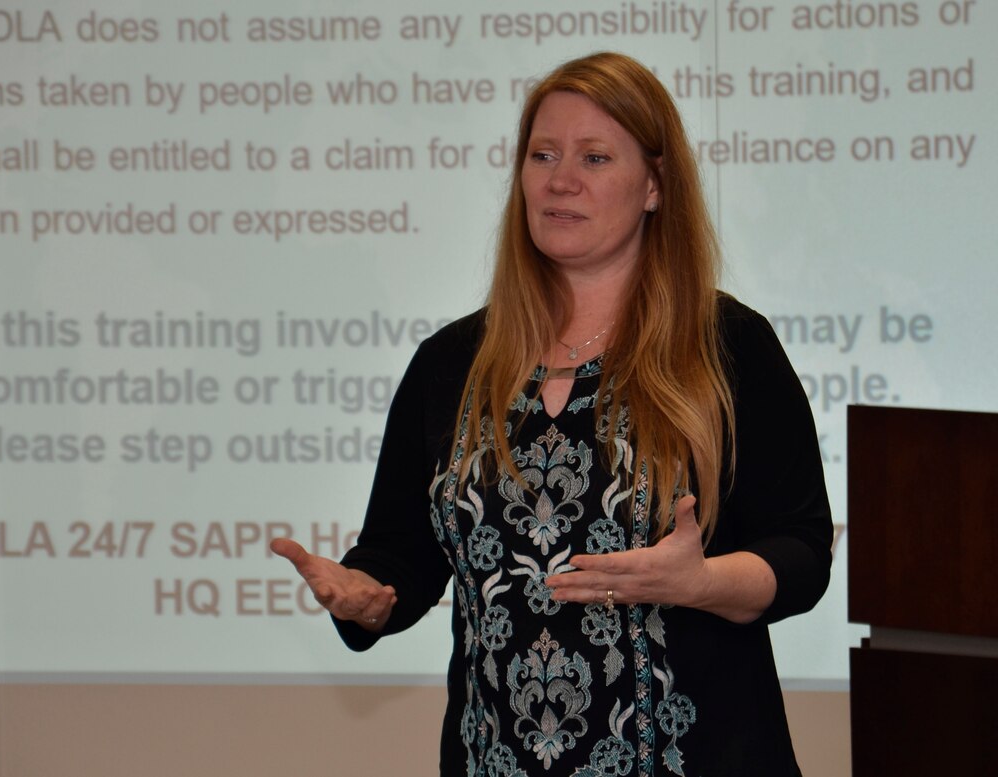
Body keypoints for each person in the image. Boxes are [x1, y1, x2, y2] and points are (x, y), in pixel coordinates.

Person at [272, 52, 832, 777]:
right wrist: (367, 596)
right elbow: (400, 554)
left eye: (595, 157)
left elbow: (802, 551)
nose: (560, 179)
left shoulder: (724, 347)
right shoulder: (452, 363)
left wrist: (702, 583)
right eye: (543, 154)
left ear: (655, 186)